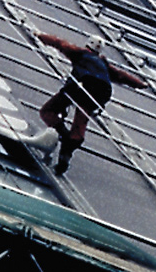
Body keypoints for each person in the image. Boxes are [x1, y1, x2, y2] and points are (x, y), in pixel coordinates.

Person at [34, 31, 147, 174]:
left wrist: (40, 36)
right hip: (100, 93)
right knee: (81, 121)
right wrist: (139, 84)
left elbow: (60, 44)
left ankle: (64, 135)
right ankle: (68, 149)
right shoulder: (103, 63)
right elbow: (120, 75)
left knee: (48, 111)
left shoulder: (81, 54)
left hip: (80, 86)